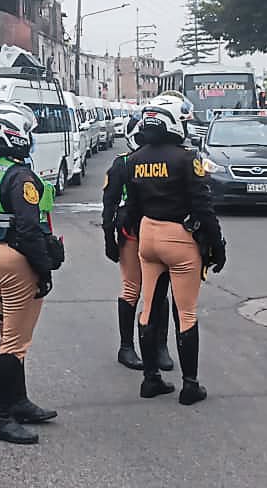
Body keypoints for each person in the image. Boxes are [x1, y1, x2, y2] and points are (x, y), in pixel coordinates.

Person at [0, 102, 64, 445]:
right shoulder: (19, 176)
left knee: (7, 332)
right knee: (14, 342)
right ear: (15, 137)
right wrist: (45, 268)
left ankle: (19, 402)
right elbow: (27, 227)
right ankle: (0, 417)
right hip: (14, 258)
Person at [123, 94, 226, 405]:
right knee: (186, 312)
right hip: (179, 237)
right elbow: (203, 206)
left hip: (148, 236)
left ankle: (150, 378)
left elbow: (132, 208)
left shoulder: (135, 159)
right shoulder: (186, 158)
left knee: (148, 307)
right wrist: (217, 244)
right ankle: (190, 385)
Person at [102, 117, 176, 371]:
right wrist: (108, 238)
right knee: (132, 288)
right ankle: (126, 346)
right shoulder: (122, 163)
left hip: (157, 230)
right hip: (131, 232)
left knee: (158, 292)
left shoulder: (164, 161)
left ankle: (160, 346)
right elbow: (108, 204)